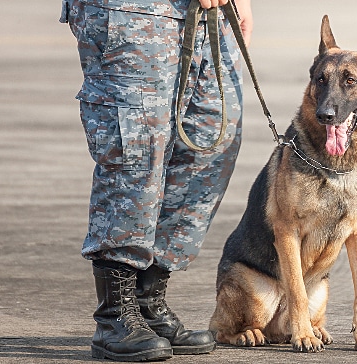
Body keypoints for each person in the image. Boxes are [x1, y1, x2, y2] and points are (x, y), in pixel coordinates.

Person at [60, 0, 253, 361]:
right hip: (131, 11)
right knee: (137, 149)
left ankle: (148, 301)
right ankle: (116, 314)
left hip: (201, 12)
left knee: (211, 140)